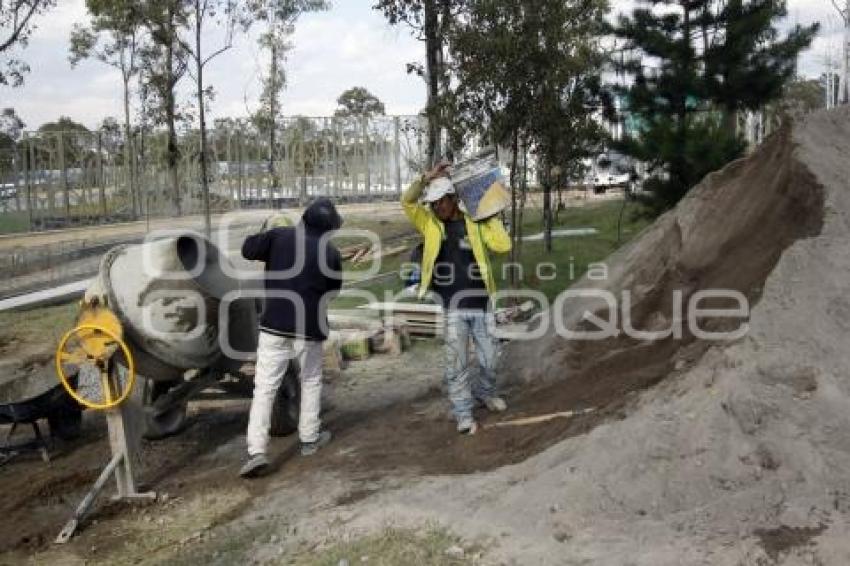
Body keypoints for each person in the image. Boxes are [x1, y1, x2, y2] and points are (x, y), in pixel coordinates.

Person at [401, 161, 512, 434]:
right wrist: (427, 177)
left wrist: (487, 214)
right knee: (457, 364)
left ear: (453, 199)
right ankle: (463, 412)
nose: (437, 207)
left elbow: (503, 245)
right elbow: (407, 201)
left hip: (482, 303)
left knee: (490, 359)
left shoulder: (474, 223)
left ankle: (485, 392)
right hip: (453, 307)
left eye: (441, 201)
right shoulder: (429, 225)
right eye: (433, 203)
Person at [239, 198, 343, 478]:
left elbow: (247, 249)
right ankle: (309, 439)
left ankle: (257, 451)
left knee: (264, 388)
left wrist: (266, 233)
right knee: (310, 380)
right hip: (309, 329)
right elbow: (333, 292)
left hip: (274, 325)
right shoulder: (330, 253)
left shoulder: (278, 236)